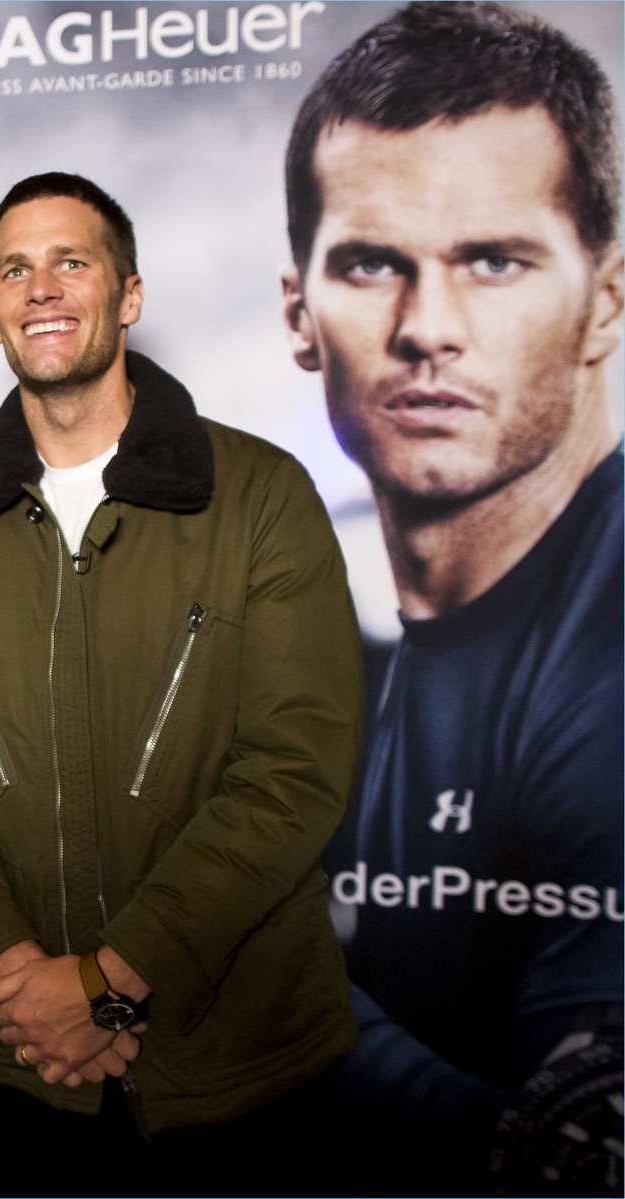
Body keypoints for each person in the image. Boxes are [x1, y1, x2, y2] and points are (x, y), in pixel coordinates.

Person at [0, 171, 364, 1197]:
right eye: (15, 267)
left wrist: (105, 983)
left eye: (70, 260)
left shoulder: (260, 494)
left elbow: (293, 768)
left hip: (233, 1060)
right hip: (28, 1064)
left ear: (127, 295)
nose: (40, 286)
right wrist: (23, 983)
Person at [282, 4, 623, 1195]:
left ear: (605, 301)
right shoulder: (294, 620)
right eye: (372, 264)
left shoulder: (606, 654)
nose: (427, 330)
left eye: (494, 259)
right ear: (299, 316)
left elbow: (580, 1157)